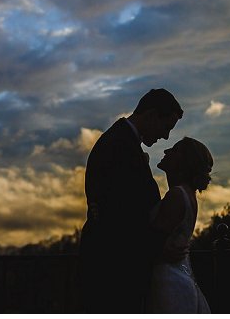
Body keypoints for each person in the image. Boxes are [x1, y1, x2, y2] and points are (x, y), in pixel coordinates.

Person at [79, 88, 184, 313]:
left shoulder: (119, 142)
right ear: (152, 115)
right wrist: (158, 248)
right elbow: (123, 218)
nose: (165, 136)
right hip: (114, 269)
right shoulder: (120, 146)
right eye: (166, 127)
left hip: (112, 264)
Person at [146, 137, 214, 313]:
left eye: (174, 150)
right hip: (180, 277)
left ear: (184, 162)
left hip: (169, 283)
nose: (166, 151)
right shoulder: (187, 194)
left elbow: (152, 242)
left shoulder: (176, 195)